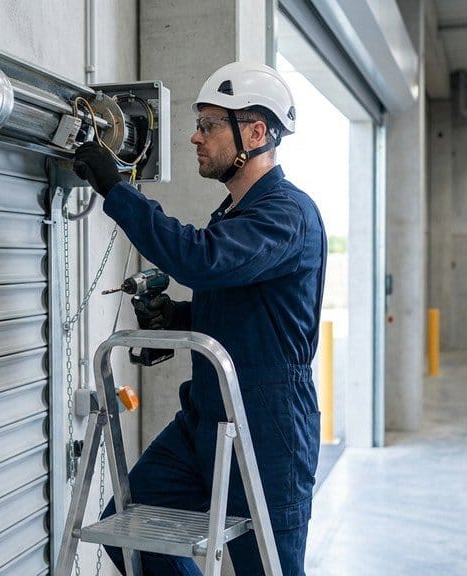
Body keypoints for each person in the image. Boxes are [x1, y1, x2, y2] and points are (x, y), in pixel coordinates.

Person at [72, 61, 326, 576]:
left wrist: (117, 189)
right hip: (207, 416)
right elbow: (241, 313)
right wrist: (175, 317)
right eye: (199, 124)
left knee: (266, 568)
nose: (195, 137)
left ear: (255, 134)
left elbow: (200, 259)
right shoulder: (233, 216)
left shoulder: (287, 214)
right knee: (131, 529)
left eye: (209, 125)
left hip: (268, 424)